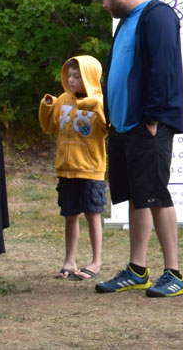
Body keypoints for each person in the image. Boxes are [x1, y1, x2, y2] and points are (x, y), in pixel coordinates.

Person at [92, 0, 183, 298]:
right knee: (136, 194)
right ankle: (137, 268)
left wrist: (152, 118)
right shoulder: (125, 23)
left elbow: (164, 68)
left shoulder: (157, 16)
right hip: (124, 125)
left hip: (149, 124)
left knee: (156, 193)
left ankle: (174, 272)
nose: (104, 5)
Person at [39, 56, 108, 281]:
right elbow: (49, 126)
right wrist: (46, 106)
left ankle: (96, 261)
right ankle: (69, 260)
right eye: (69, 75)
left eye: (77, 76)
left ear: (89, 76)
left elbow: (109, 126)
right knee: (70, 215)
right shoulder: (63, 100)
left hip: (90, 170)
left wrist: (95, 104)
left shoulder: (99, 101)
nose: (71, 79)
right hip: (66, 169)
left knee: (93, 215)